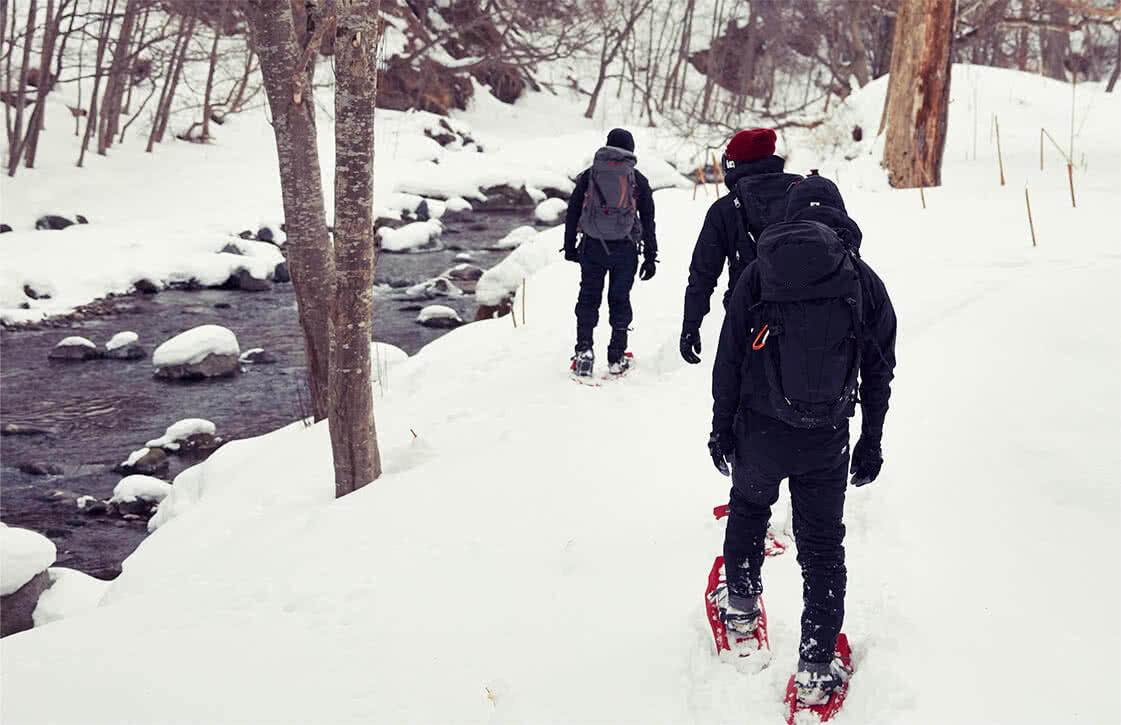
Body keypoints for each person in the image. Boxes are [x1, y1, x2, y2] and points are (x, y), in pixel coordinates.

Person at [707, 174, 897, 705]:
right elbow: (880, 371)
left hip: (759, 430)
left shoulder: (756, 275)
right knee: (820, 548)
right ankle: (816, 664)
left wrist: (722, 427)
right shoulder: (863, 281)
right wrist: (871, 440)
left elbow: (729, 360)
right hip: (826, 439)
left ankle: (741, 604)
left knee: (748, 508)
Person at [680, 128, 803, 365]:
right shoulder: (803, 195)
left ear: (734, 164)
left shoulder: (725, 209)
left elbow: (703, 274)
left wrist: (691, 325)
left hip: (748, 319)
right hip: (808, 316)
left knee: (741, 394)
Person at [563, 128, 657, 377]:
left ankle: (584, 352)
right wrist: (650, 255)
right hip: (625, 249)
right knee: (619, 300)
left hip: (593, 245)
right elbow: (648, 219)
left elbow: (573, 211)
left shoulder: (590, 175)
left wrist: (570, 245)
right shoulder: (636, 178)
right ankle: (616, 357)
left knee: (588, 298)